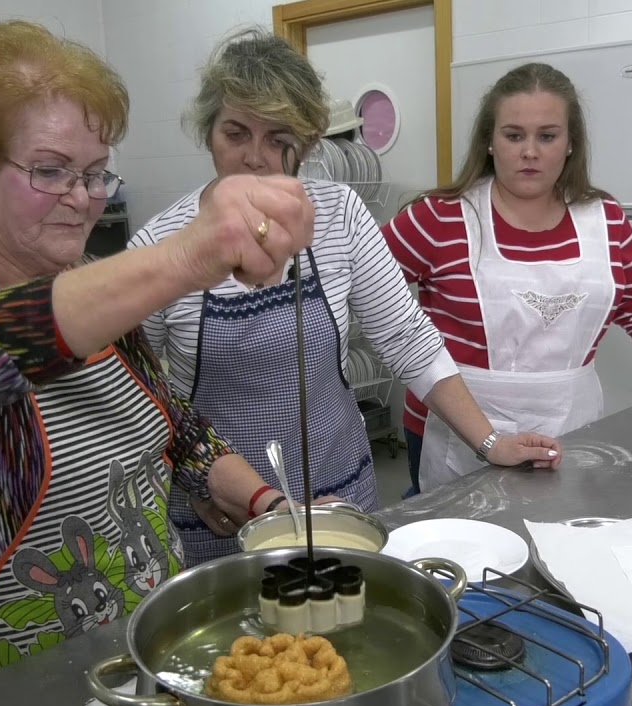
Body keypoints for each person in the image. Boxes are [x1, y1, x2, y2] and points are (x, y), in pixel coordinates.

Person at [0, 22, 316, 705]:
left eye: (95, 174)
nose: (83, 197)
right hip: (1, 671)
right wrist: (185, 257)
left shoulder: (95, 281)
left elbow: (171, 427)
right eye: (50, 170)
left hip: (142, 641)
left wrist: (269, 506)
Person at [129, 28, 562, 567]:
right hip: (222, 513)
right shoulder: (160, 245)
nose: (255, 159)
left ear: (308, 142)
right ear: (209, 132)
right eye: (236, 133)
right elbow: (137, 400)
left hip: (338, 492)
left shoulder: (339, 215)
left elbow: (407, 339)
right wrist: (197, 478)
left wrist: (490, 442)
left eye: (279, 137)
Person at [382, 62, 632, 496]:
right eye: (514, 135)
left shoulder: (605, 222)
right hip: (458, 431)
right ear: (489, 143)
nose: (530, 151)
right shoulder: (438, 218)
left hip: (572, 427)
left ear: (570, 144)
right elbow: (367, 295)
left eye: (547, 136)